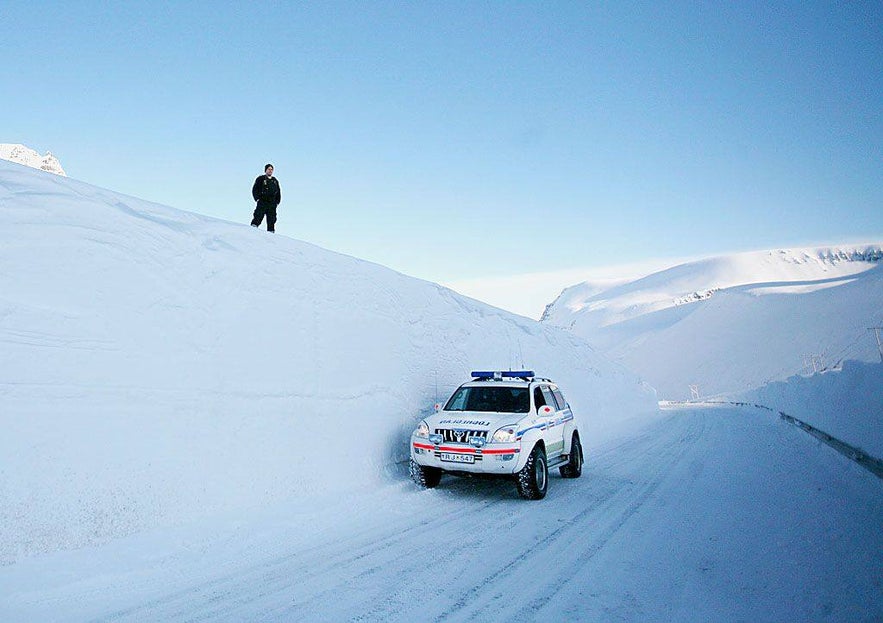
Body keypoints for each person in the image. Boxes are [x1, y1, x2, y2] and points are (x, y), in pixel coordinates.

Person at [251, 164, 281, 232]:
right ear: (265, 170)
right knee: (259, 214)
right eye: (269, 169)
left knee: (272, 218)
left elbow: (278, 191)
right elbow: (255, 189)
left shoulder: (275, 181)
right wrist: (257, 198)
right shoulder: (260, 179)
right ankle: (254, 227)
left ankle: (271, 232)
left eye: (271, 169)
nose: (270, 171)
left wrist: (277, 201)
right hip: (263, 200)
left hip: (272, 203)